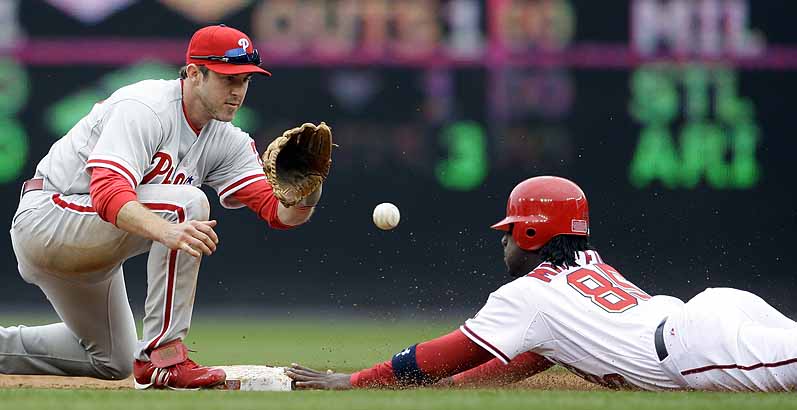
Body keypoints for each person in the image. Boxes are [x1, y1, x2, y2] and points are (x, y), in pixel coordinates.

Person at [1, 25, 324, 390]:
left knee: (111, 359)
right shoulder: (145, 107)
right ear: (193, 74)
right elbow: (107, 193)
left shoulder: (227, 140)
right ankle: (164, 356)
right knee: (188, 203)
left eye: (245, 80)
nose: (237, 91)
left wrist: (308, 190)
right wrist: (169, 229)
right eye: (226, 78)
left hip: (90, 246)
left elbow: (278, 213)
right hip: (48, 218)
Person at [287, 176, 797, 392]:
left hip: (693, 350)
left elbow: (446, 353)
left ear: (532, 232)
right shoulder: (589, 266)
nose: (504, 243)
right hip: (714, 314)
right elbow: (531, 356)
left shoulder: (530, 293)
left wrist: (352, 382)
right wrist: (447, 392)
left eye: (509, 233)